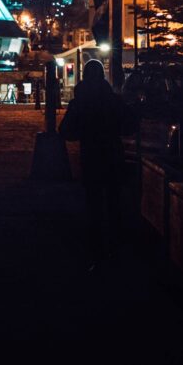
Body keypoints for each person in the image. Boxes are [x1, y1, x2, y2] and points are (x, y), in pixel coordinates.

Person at [59, 59, 138, 266]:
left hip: (90, 155)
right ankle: (115, 245)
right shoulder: (113, 100)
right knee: (114, 201)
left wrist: (83, 132)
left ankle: (96, 248)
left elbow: (66, 131)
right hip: (112, 154)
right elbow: (130, 125)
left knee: (93, 202)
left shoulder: (80, 102)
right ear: (103, 76)